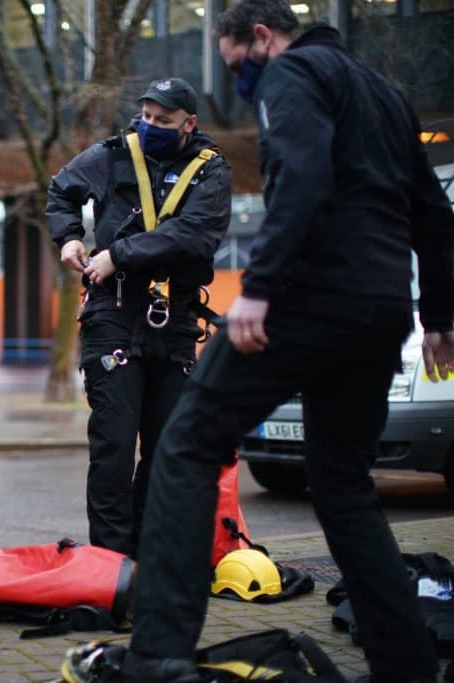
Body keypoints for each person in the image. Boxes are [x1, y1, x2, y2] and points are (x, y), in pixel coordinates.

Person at [123, 1, 454, 680]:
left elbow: (303, 178)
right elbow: (433, 211)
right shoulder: (386, 96)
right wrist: (442, 316)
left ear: (262, 38)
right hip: (382, 309)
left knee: (186, 444)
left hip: (310, 298)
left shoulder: (292, 75)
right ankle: (409, 666)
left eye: (235, 61)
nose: (240, 77)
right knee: (342, 484)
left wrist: (262, 284)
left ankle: (158, 656)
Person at [46, 78, 232, 558]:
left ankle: (148, 558)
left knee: (167, 450)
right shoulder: (112, 155)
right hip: (114, 314)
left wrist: (118, 253)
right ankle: (111, 566)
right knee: (113, 448)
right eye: (147, 116)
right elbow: (61, 190)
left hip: (174, 319)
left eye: (163, 121)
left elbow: (195, 235)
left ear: (189, 124)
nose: (151, 126)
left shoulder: (211, 172)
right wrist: (68, 237)